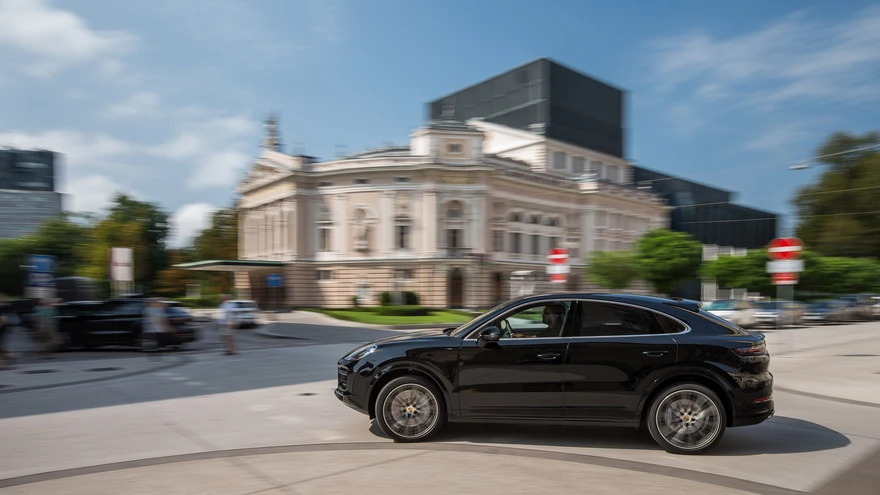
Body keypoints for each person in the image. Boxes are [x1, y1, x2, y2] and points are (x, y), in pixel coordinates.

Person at [0, 295, 17, 368]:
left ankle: (8, 356)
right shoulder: (5, 308)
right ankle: (9, 355)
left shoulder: (3, 309)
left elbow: (2, 319)